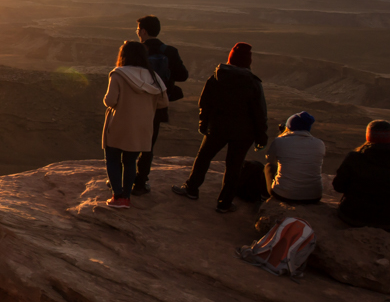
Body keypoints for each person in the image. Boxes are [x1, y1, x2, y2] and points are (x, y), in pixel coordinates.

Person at [172, 42, 267, 213]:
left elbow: (205, 103)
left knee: (203, 158)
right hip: (243, 133)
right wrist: (261, 137)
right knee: (234, 166)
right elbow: (259, 113)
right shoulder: (253, 83)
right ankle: (224, 203)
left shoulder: (217, 77)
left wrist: (203, 123)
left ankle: (191, 189)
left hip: (217, 128)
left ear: (230, 58)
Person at [102, 40, 168, 209]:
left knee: (113, 159)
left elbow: (110, 101)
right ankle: (127, 196)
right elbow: (163, 103)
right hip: (142, 127)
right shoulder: (154, 77)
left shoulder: (118, 74)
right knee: (130, 162)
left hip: (119, 124)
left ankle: (118, 197)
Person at [133, 15, 189, 194]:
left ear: (143, 31)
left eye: (138, 29)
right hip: (157, 104)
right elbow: (183, 76)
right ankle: (141, 183)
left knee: (130, 142)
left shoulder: (134, 51)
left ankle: (122, 179)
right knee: (148, 144)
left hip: (136, 103)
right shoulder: (170, 51)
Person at [333, 120, 390, 231]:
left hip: (352, 217)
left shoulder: (354, 158)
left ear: (368, 136)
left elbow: (338, 186)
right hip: (388, 222)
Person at [265, 111, 326, 203]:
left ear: (289, 126)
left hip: (284, 195)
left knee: (268, 167)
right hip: (314, 197)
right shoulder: (320, 143)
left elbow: (270, 159)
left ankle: (264, 197)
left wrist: (282, 135)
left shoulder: (280, 141)